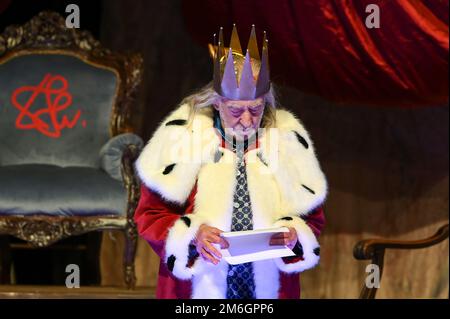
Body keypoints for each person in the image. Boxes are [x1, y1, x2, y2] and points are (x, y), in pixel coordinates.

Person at [134, 25, 327, 299]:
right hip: (197, 285)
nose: (247, 121)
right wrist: (193, 236)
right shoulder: (182, 138)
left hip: (266, 286)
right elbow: (149, 215)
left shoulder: (286, 141)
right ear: (217, 103)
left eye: (256, 109)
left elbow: (313, 218)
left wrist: (295, 233)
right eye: (236, 111)